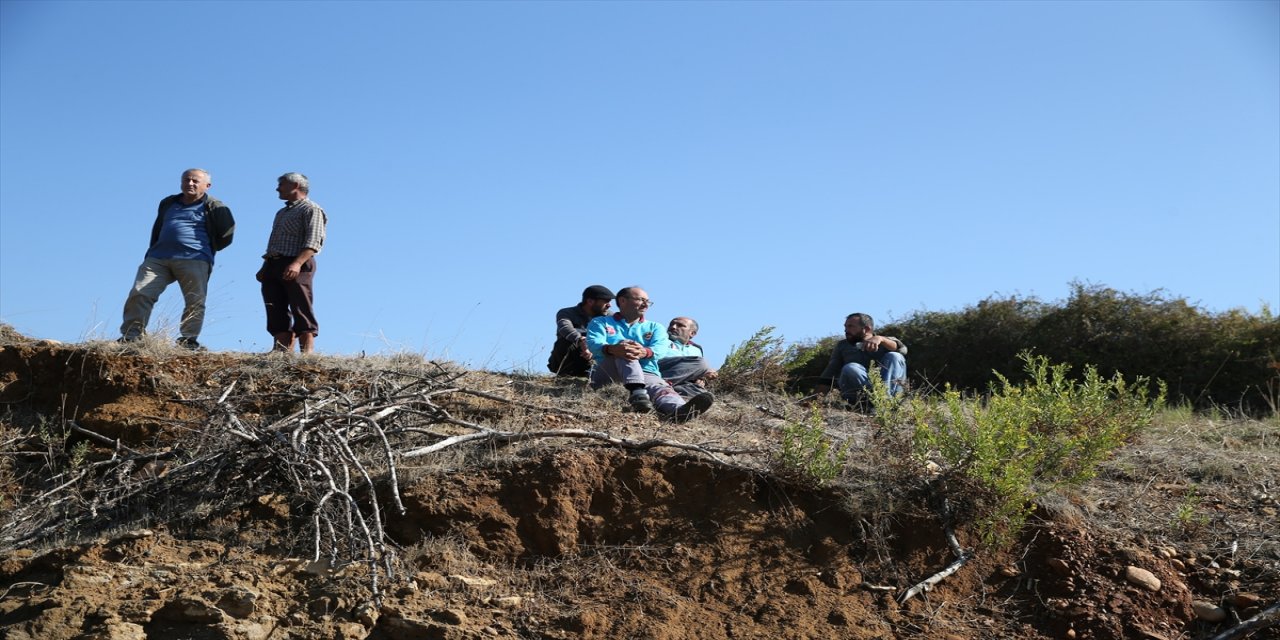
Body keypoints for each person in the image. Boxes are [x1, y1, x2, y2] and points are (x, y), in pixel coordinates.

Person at [119, 168, 236, 350]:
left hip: (194, 258)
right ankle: (131, 337)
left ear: (207, 186)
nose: (190, 183)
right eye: (186, 180)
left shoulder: (215, 206)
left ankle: (188, 340)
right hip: (158, 258)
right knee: (140, 292)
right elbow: (159, 227)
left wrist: (204, 251)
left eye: (195, 181)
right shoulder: (168, 202)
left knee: (194, 300)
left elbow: (226, 235)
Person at [586, 287, 714, 421]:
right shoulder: (600, 322)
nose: (646, 304)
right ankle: (638, 393)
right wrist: (613, 349)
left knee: (661, 390)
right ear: (622, 301)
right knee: (625, 346)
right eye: (641, 300)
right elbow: (594, 344)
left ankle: (679, 410)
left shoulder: (655, 327)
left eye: (648, 301)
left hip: (646, 372)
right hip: (609, 371)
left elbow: (660, 349)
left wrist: (644, 352)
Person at [257, 172, 327, 354]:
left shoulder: (311, 209)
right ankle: (280, 350)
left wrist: (297, 263)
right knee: (274, 305)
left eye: (281, 184)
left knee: (300, 305)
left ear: (295, 185)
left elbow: (314, 241)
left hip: (298, 262)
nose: (277, 188)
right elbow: (274, 242)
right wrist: (265, 266)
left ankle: (307, 352)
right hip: (274, 264)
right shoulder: (281, 212)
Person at [818, 313, 908, 408]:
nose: (846, 330)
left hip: (889, 393)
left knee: (895, 356)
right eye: (845, 326)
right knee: (850, 367)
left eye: (851, 326)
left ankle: (885, 401)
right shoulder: (842, 346)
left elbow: (902, 350)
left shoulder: (884, 342)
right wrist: (815, 399)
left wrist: (881, 339)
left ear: (867, 329)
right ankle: (876, 401)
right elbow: (830, 374)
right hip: (859, 397)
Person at [548, 285, 615, 377]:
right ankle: (566, 375)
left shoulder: (611, 317)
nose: (609, 305)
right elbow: (565, 328)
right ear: (590, 301)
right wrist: (581, 341)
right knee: (565, 342)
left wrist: (594, 346)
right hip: (571, 360)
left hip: (599, 359)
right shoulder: (567, 313)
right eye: (606, 302)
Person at [659, 316, 718, 398]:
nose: (673, 327)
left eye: (680, 325)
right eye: (671, 324)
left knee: (703, 394)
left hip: (681, 381)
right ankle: (658, 384)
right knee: (701, 363)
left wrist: (702, 377)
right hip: (660, 371)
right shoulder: (659, 340)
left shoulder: (696, 349)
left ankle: (665, 391)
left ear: (692, 333)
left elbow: (693, 369)